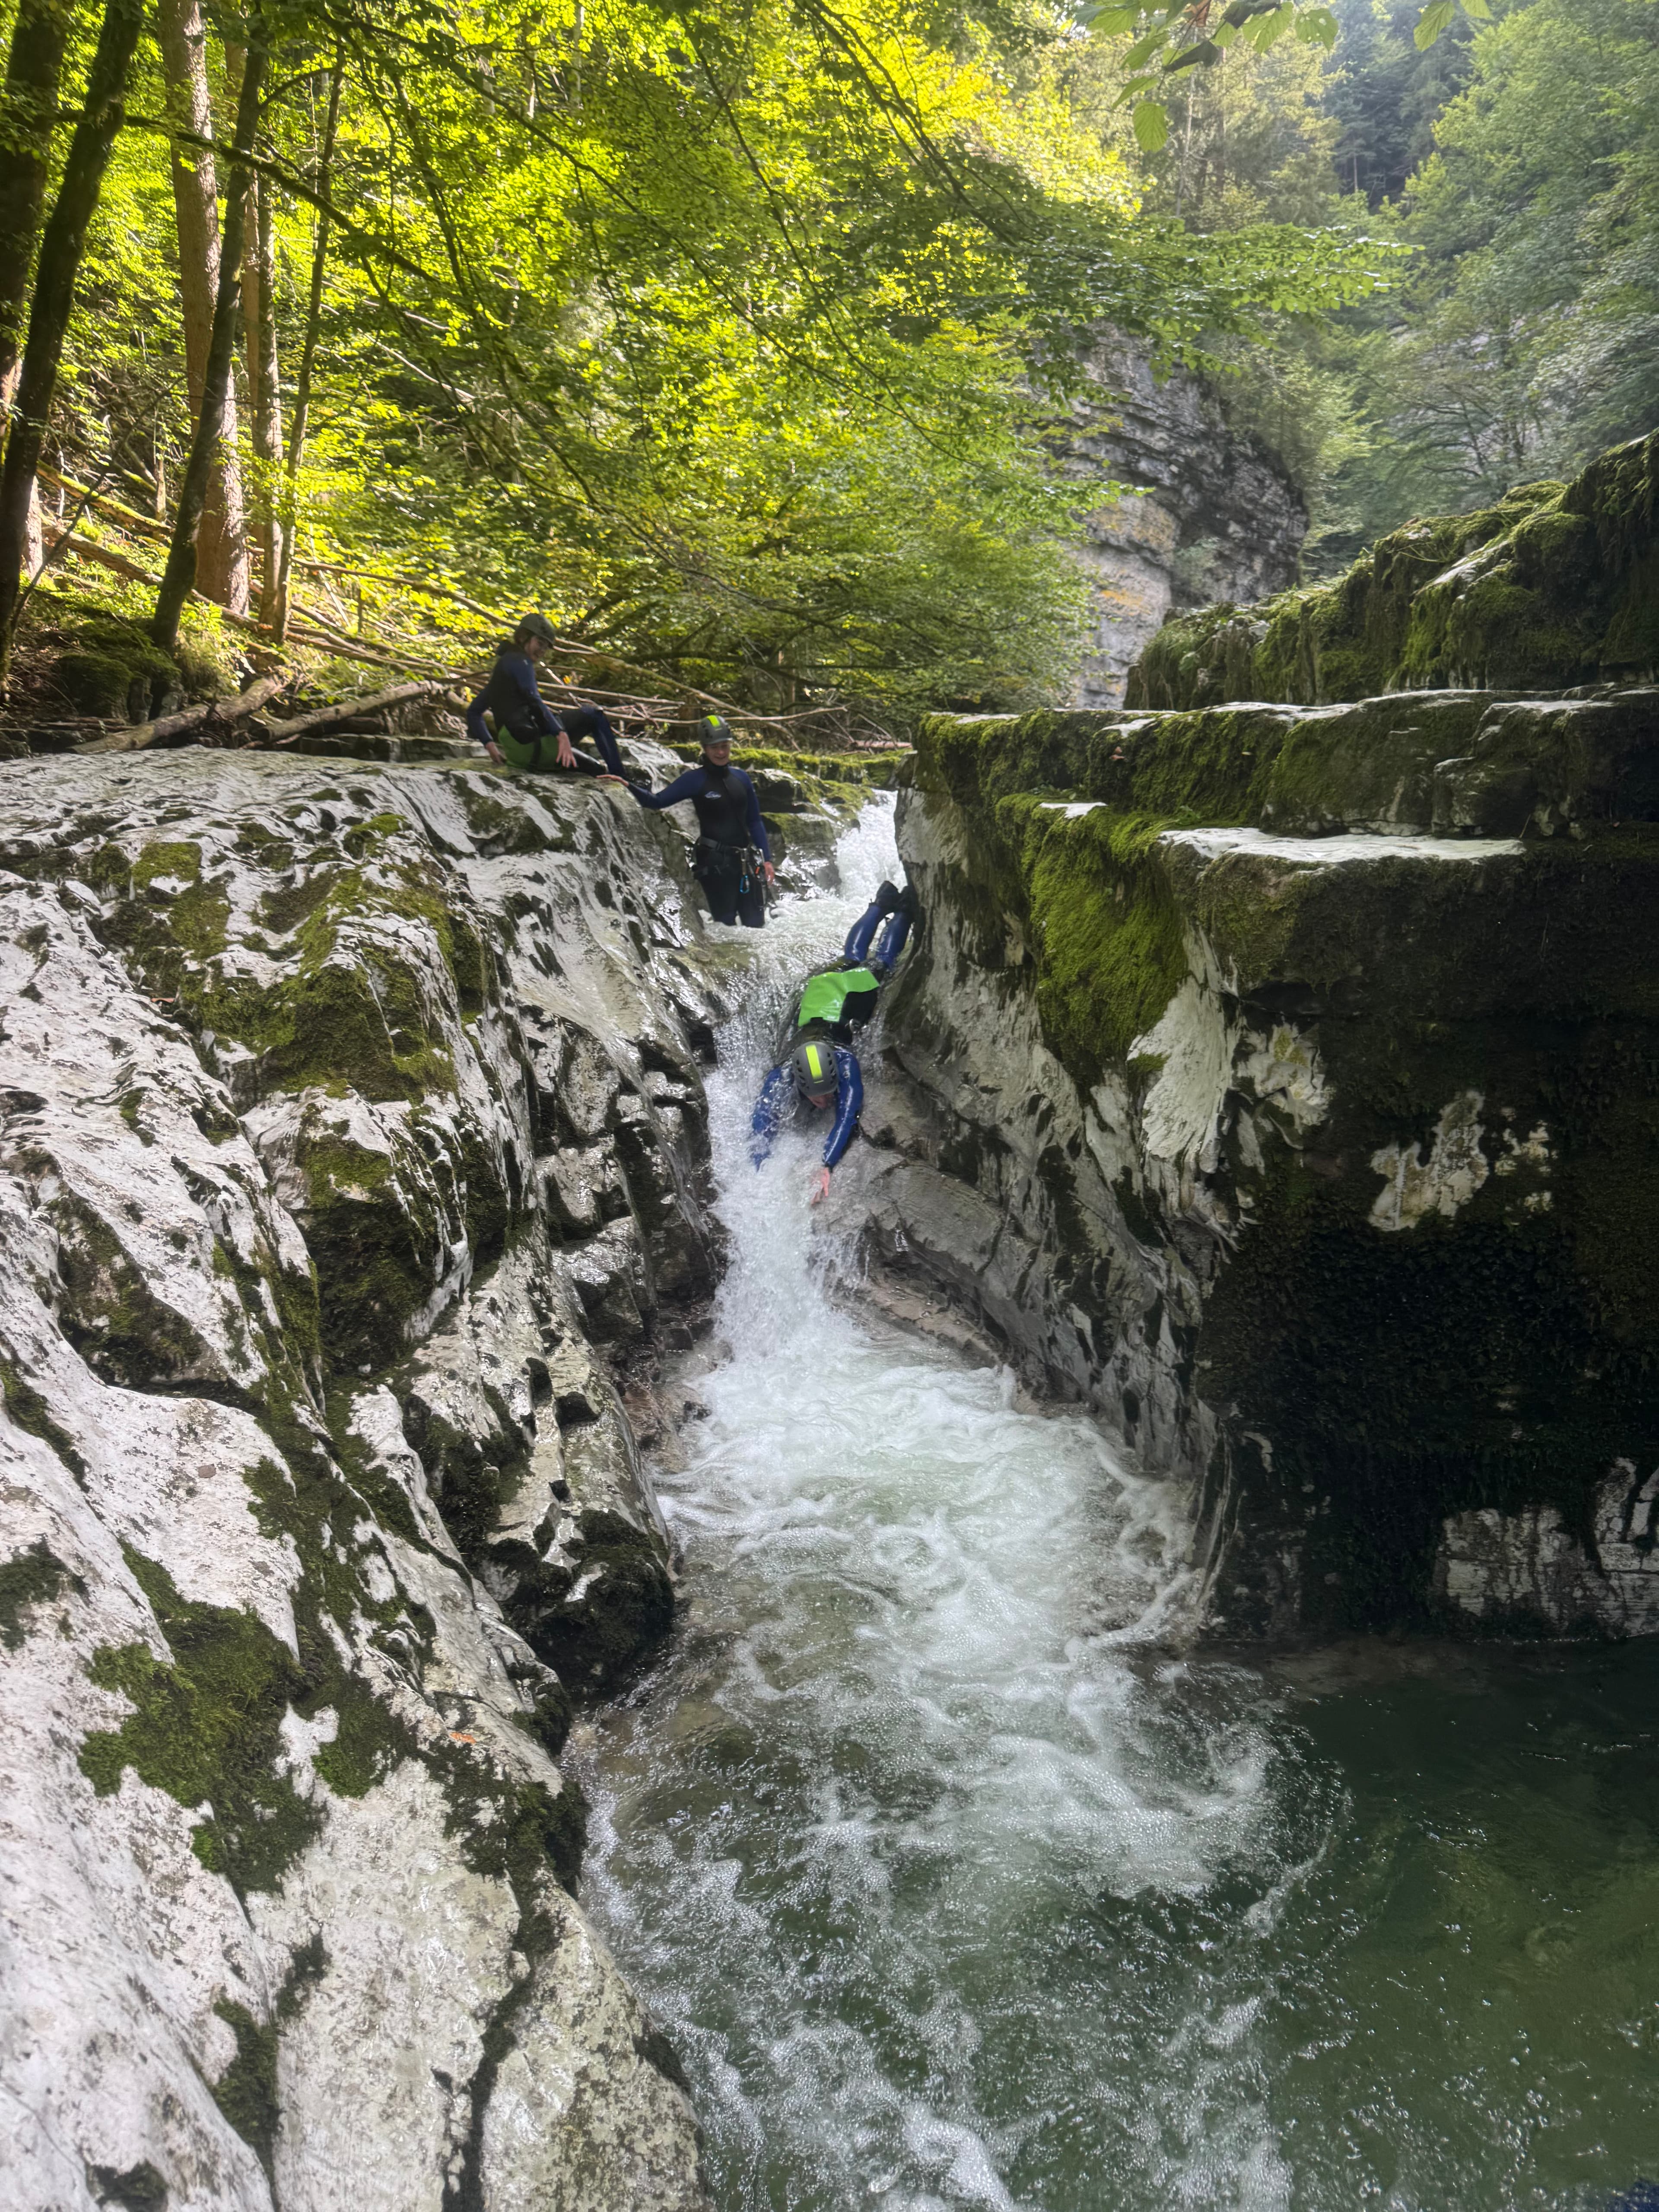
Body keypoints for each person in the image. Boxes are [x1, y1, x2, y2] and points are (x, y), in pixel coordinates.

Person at [750, 880, 916, 1204]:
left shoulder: (844, 1061)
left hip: (846, 995)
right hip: (819, 994)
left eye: (827, 1095)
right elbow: (761, 1124)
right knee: (851, 956)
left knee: (881, 963)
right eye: (818, 1098)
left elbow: (848, 1114)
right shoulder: (783, 1074)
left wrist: (826, 1164)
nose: (825, 1103)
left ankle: (904, 911)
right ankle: (879, 904)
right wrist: (759, 1166)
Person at [629, 713, 775, 927]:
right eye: (715, 747)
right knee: (725, 929)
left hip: (745, 862)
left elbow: (754, 821)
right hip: (716, 864)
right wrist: (626, 784)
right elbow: (657, 801)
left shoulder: (741, 778)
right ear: (705, 748)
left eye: (725, 746)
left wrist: (767, 860)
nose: (721, 752)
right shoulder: (695, 780)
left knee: (757, 927)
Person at [466, 612, 631, 779]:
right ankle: (621, 777)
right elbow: (534, 700)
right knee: (594, 714)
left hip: (522, 758)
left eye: (546, 647)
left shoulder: (503, 669)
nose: (543, 651)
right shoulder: (521, 662)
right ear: (523, 637)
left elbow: (473, 712)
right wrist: (561, 734)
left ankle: (605, 775)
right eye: (540, 643)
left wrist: (490, 746)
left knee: (596, 770)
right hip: (536, 746)